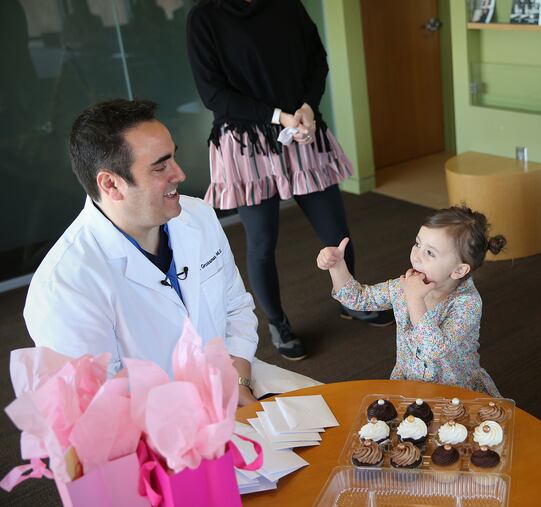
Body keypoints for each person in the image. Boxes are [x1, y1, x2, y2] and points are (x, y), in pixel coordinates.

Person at [23, 99, 319, 406]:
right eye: (160, 166)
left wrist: (239, 380)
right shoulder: (64, 285)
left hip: (234, 377)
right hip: (154, 432)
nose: (179, 174)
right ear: (111, 184)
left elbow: (235, 307)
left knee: (352, 423)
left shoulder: (199, 216)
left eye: (173, 158)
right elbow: (99, 409)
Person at [186, 0, 392, 361]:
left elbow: (317, 60)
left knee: (336, 232)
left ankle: (351, 299)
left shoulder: (287, 5)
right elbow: (213, 94)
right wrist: (279, 116)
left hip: (303, 132)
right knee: (262, 241)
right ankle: (277, 322)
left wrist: (308, 108)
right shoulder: (205, 17)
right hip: (246, 142)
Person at [316, 206, 506, 396]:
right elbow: (359, 298)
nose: (416, 255)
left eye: (430, 253)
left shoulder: (467, 303)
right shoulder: (404, 286)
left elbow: (434, 349)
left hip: (454, 392)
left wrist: (414, 298)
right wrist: (337, 266)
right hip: (408, 385)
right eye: (417, 244)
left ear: (458, 271)